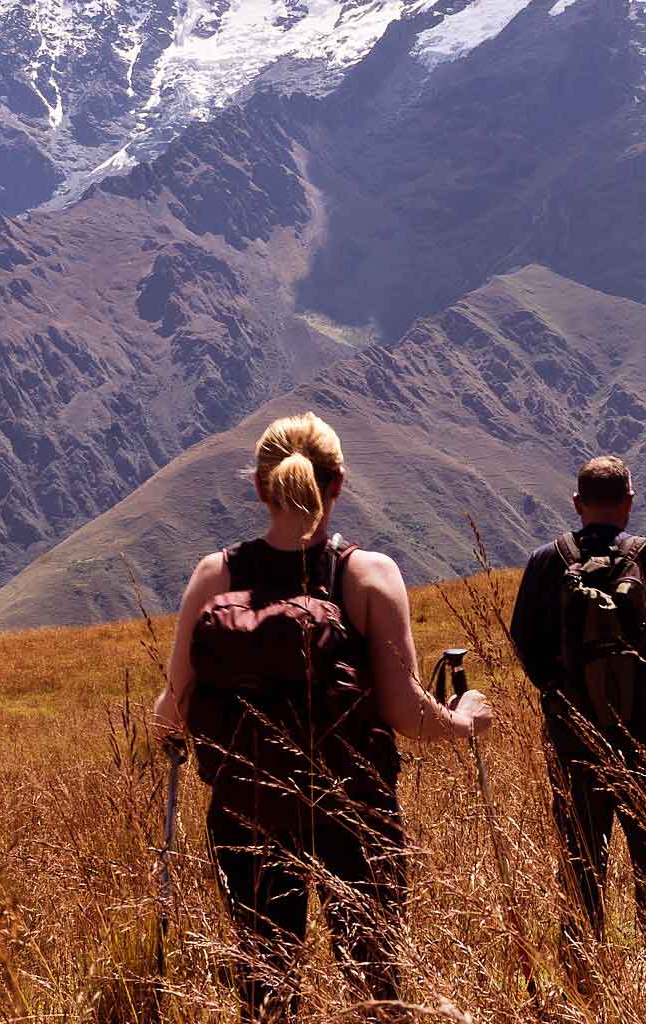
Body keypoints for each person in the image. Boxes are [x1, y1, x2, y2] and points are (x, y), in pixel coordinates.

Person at [152, 412, 494, 1021]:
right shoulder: (366, 575)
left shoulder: (216, 575)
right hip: (355, 813)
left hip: (247, 812)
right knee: (376, 988)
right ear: (338, 484)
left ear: (259, 488)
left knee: (266, 989)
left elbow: (171, 714)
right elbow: (406, 713)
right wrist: (465, 719)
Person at [508, 455, 646, 985]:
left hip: (573, 744)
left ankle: (583, 984)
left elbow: (525, 644)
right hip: (642, 741)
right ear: (629, 503)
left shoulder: (546, 562)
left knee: (582, 864)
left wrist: (563, 695)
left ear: (577, 504)